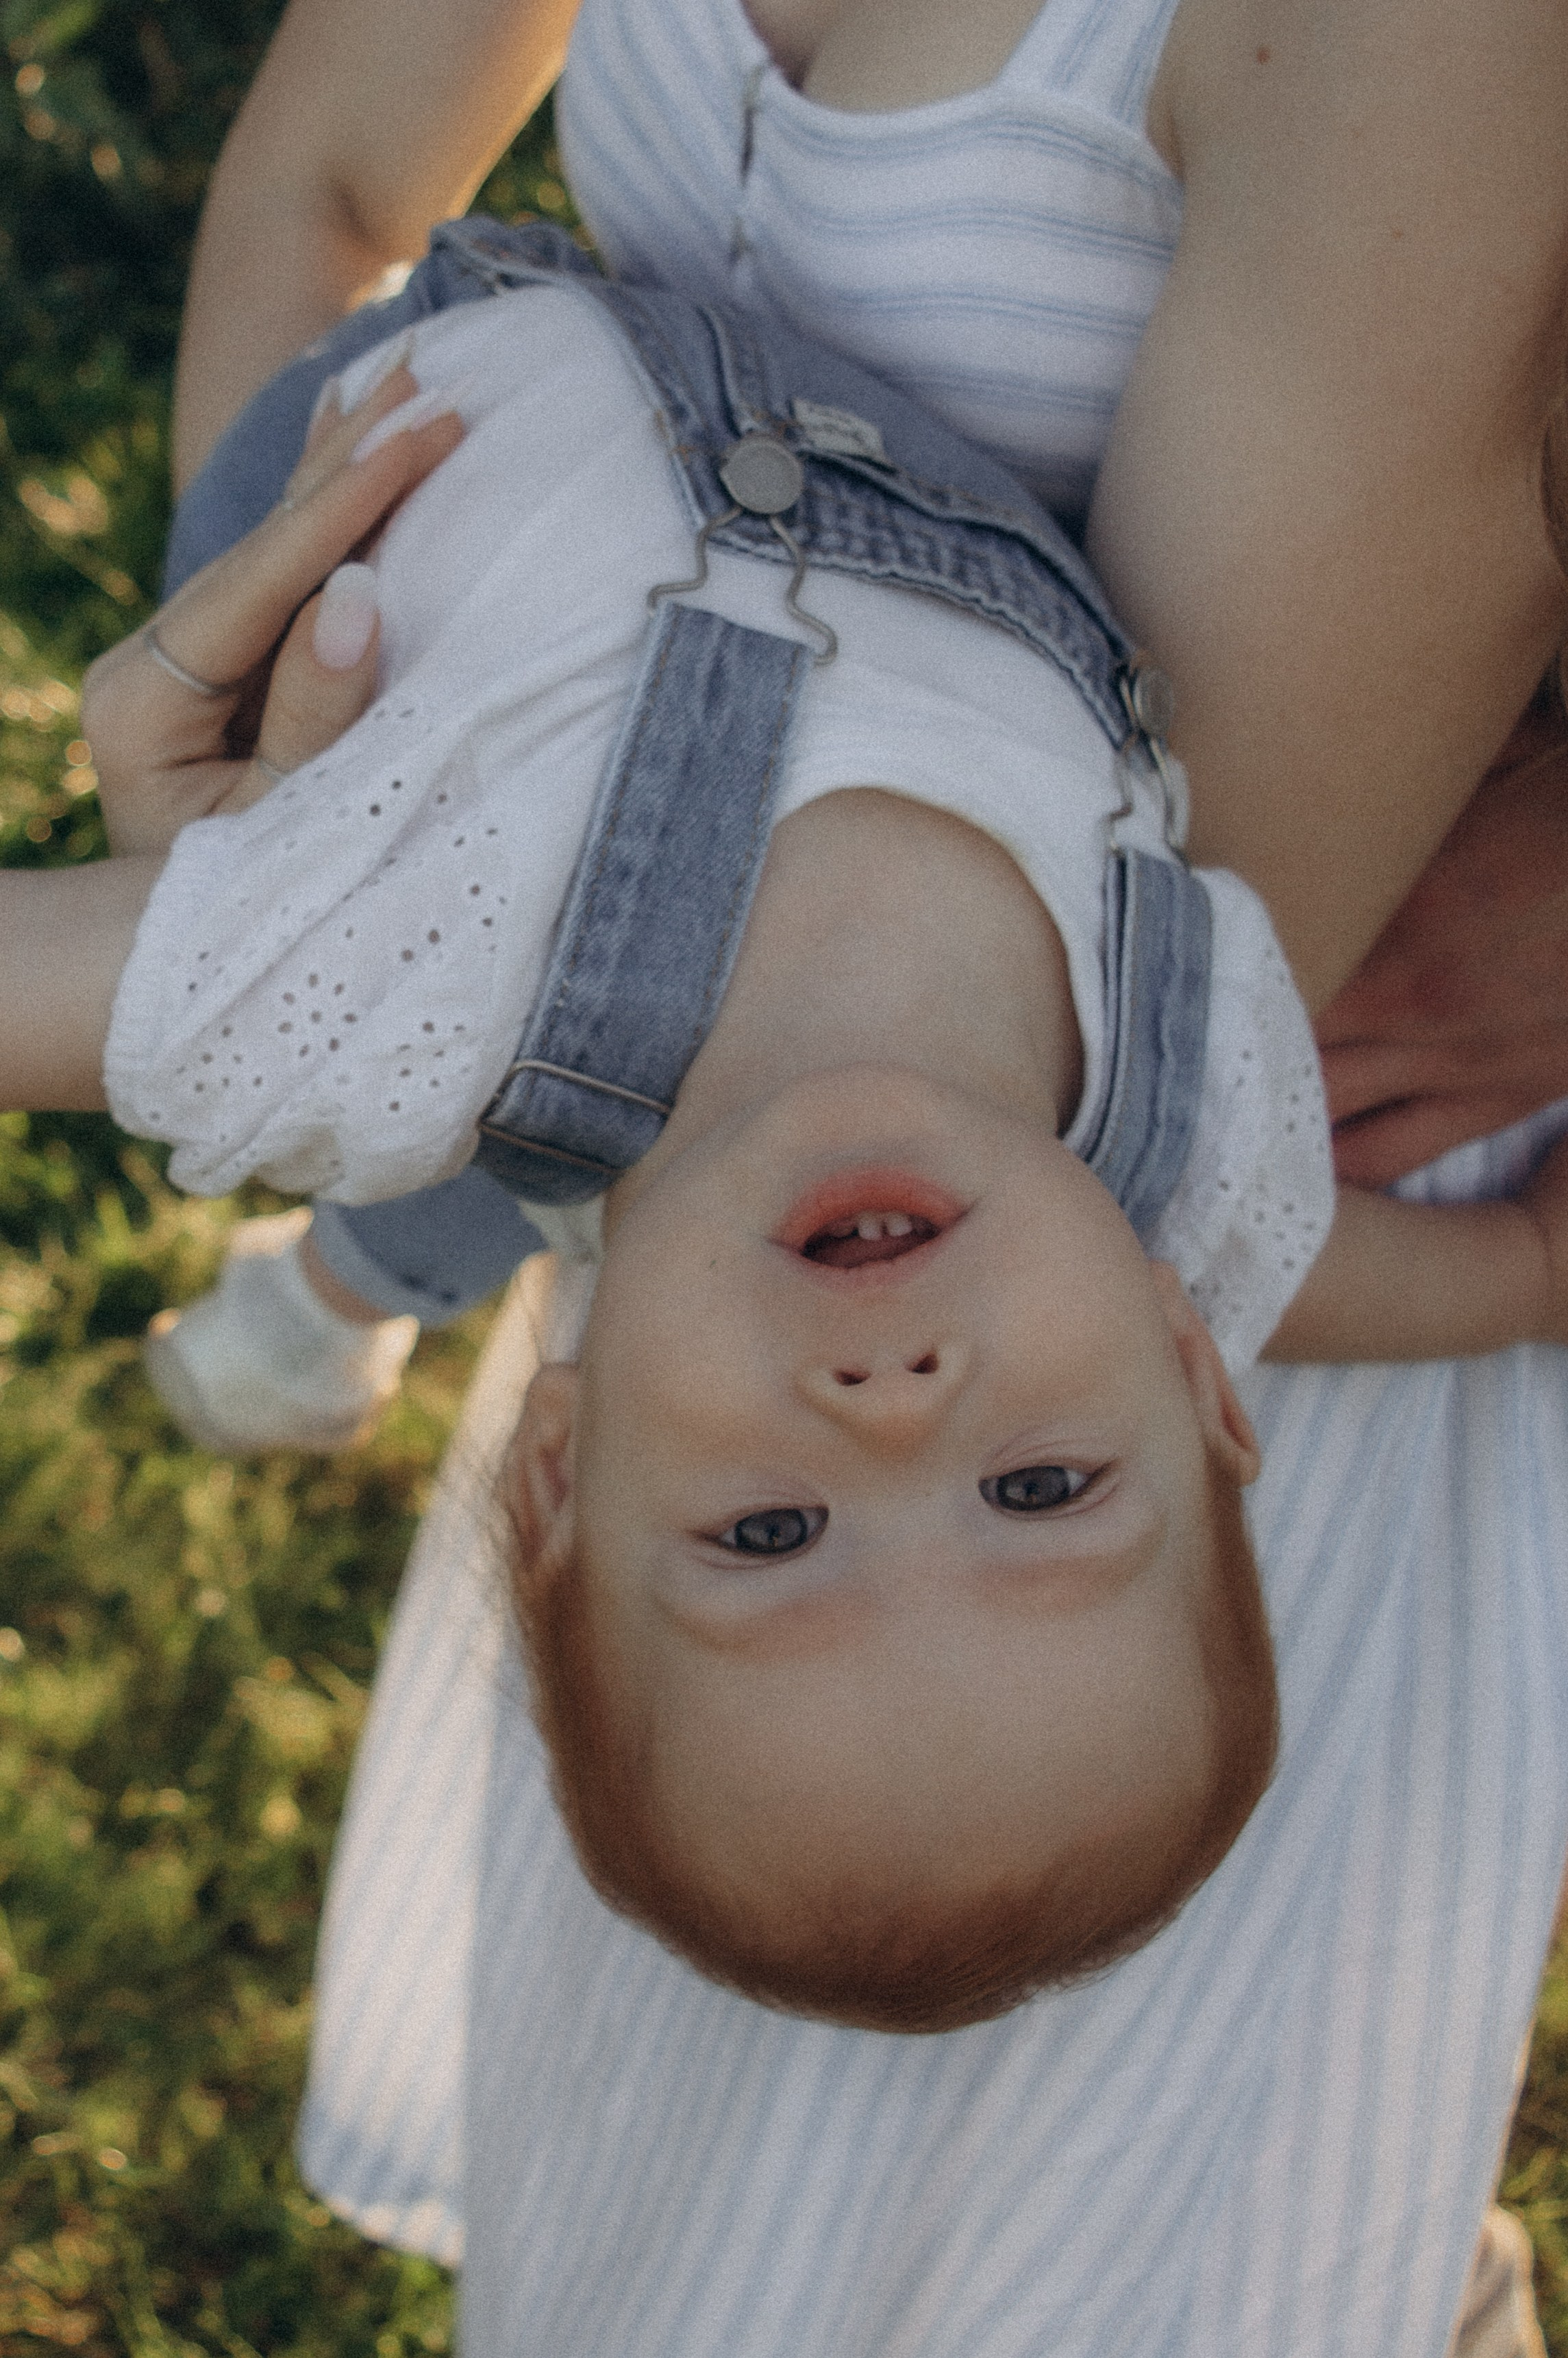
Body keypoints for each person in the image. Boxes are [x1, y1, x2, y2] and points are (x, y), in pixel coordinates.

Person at [16, 245, 1568, 2044]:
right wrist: (1524, 1268)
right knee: (527, 1190)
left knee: (429, 1122)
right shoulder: (1183, 1111)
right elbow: (1315, 1267)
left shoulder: (407, 968)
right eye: (1040, 1491)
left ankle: (328, 1304)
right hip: (858, 418)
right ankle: (348, 1306)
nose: (897, 1400)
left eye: (767, 1529)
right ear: (1191, 1372)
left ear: (559, 1471)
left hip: (388, 483)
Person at [139, 0, 1568, 1456]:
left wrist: (1514, 1267)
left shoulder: (1413, 51)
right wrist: (291, 657)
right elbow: (322, 192)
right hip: (718, 1141)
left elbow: (1124, 1071)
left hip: (1144, 1251)